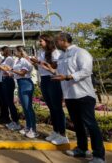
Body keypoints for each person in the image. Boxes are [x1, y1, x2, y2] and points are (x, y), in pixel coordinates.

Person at [52, 32, 105, 163]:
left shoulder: (80, 52)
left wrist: (68, 77)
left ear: (64, 40)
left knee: (91, 125)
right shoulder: (62, 56)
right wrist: (49, 69)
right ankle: (82, 149)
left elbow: (86, 70)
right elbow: (60, 74)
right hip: (70, 96)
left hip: (83, 95)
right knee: (78, 124)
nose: (55, 43)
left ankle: (99, 156)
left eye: (57, 41)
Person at [30, 34, 68, 145]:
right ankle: (56, 131)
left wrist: (42, 64)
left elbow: (55, 68)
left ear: (47, 41)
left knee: (57, 108)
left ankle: (63, 135)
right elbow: (40, 68)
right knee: (51, 107)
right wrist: (36, 63)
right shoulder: (41, 53)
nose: (39, 43)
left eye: (41, 41)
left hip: (53, 79)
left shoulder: (55, 52)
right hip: (44, 80)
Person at [11, 46, 37, 138]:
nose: (14, 52)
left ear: (20, 51)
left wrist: (11, 70)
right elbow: (16, 72)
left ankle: (33, 129)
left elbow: (22, 73)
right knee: (25, 107)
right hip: (20, 83)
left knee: (28, 107)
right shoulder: (18, 60)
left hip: (26, 83)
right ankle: (28, 126)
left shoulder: (24, 61)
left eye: (15, 50)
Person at [0, 46, 20, 131]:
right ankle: (13, 121)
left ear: (5, 51)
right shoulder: (4, 59)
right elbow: (0, 69)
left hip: (8, 80)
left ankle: (16, 122)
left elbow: (6, 69)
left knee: (10, 102)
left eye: (1, 51)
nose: (0, 52)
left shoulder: (9, 59)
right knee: (8, 102)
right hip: (4, 79)